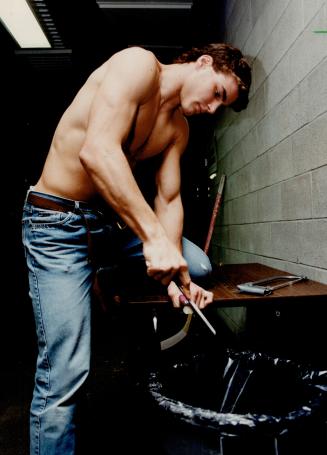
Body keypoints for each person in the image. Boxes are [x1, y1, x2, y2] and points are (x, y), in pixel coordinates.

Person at [22, 43, 251, 454]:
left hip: (105, 224)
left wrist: (176, 278)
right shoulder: (138, 65)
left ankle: (105, 275)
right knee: (65, 373)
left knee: (195, 266)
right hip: (56, 224)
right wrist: (152, 241)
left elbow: (168, 200)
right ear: (202, 63)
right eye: (217, 93)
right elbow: (97, 152)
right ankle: (87, 278)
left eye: (223, 106)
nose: (213, 109)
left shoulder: (177, 128)